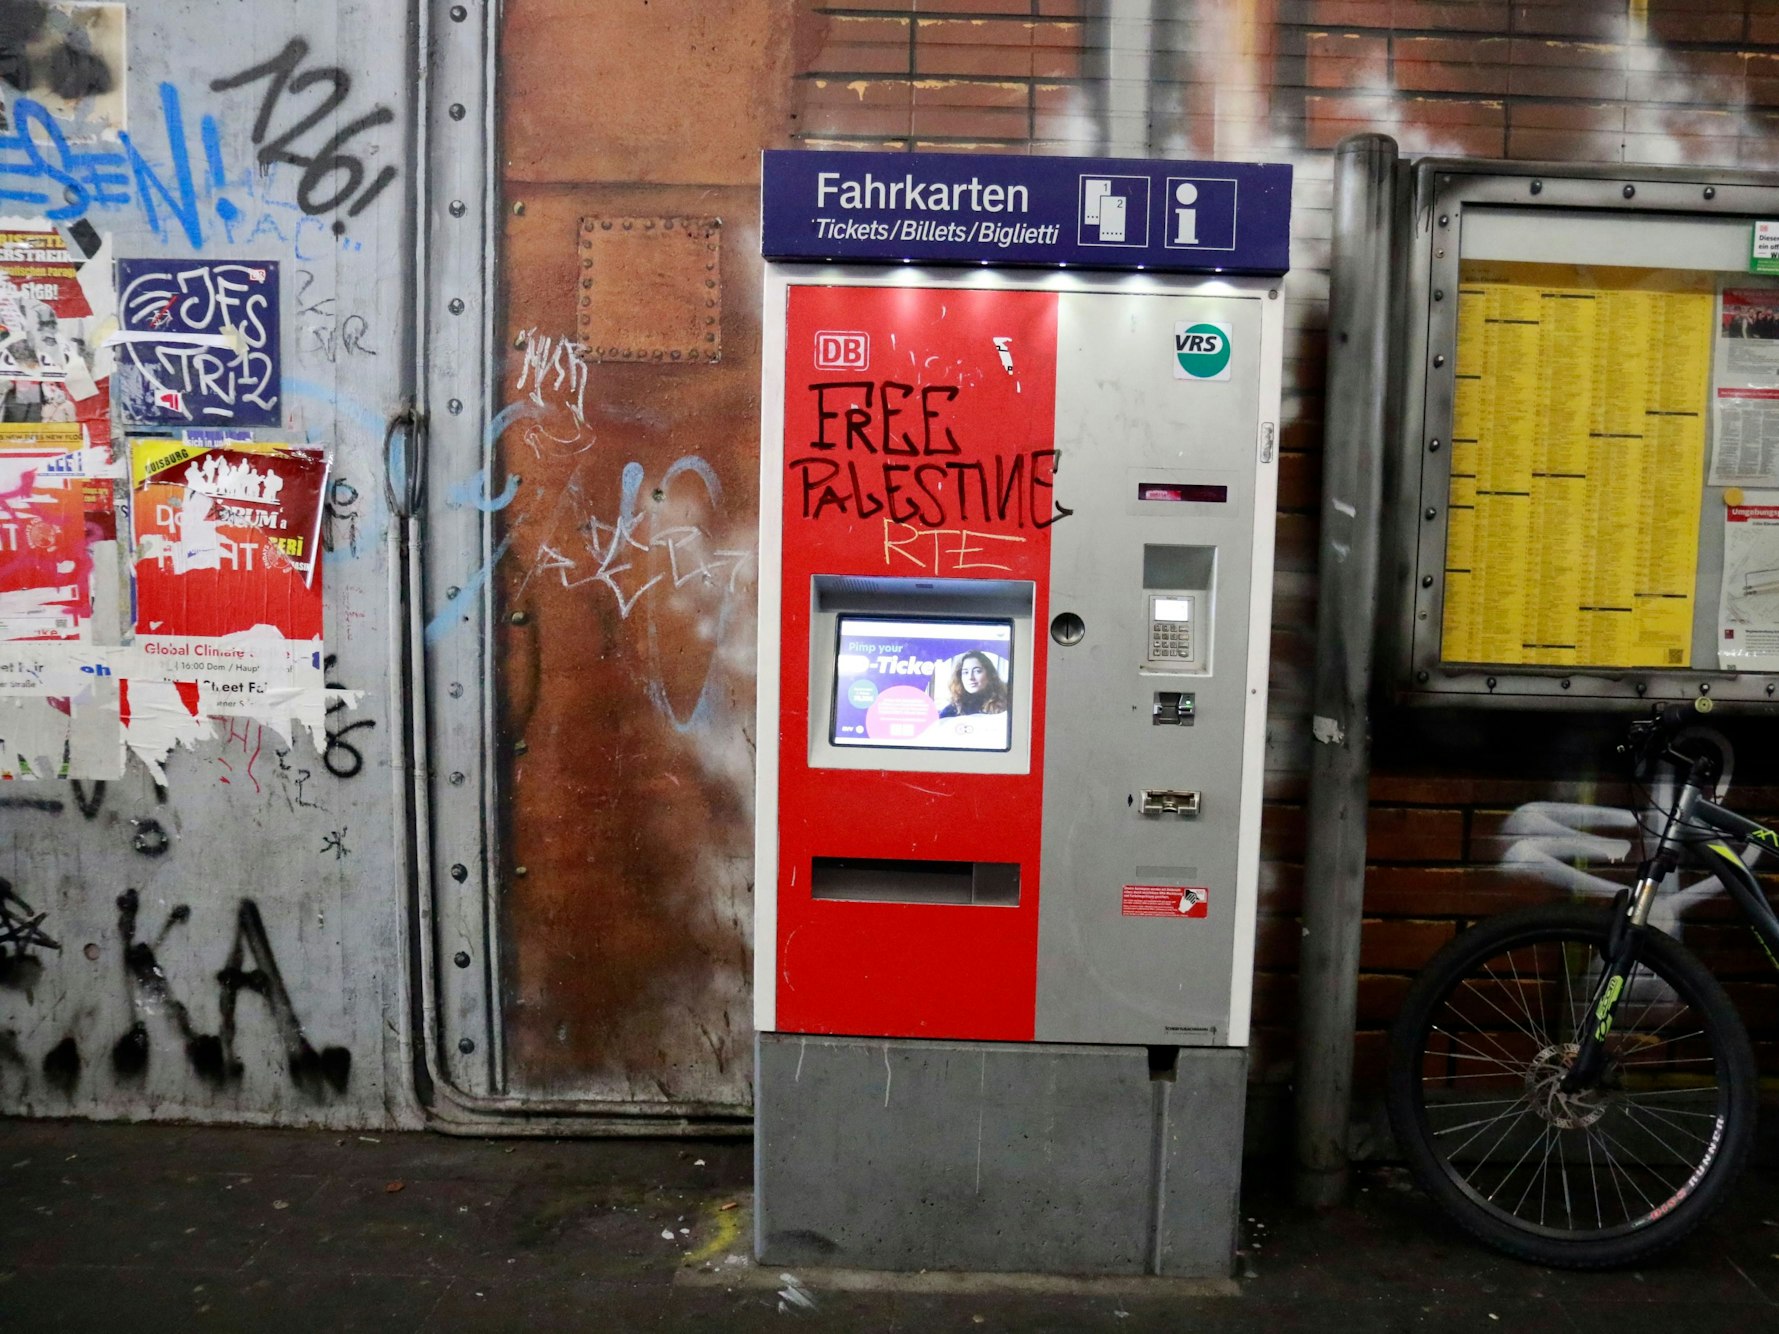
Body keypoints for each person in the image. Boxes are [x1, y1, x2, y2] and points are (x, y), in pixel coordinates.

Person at [938, 650, 1009, 717]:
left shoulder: (1006, 704)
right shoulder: (953, 709)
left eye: (977, 671)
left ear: (989, 674)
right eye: (965, 672)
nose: (970, 677)